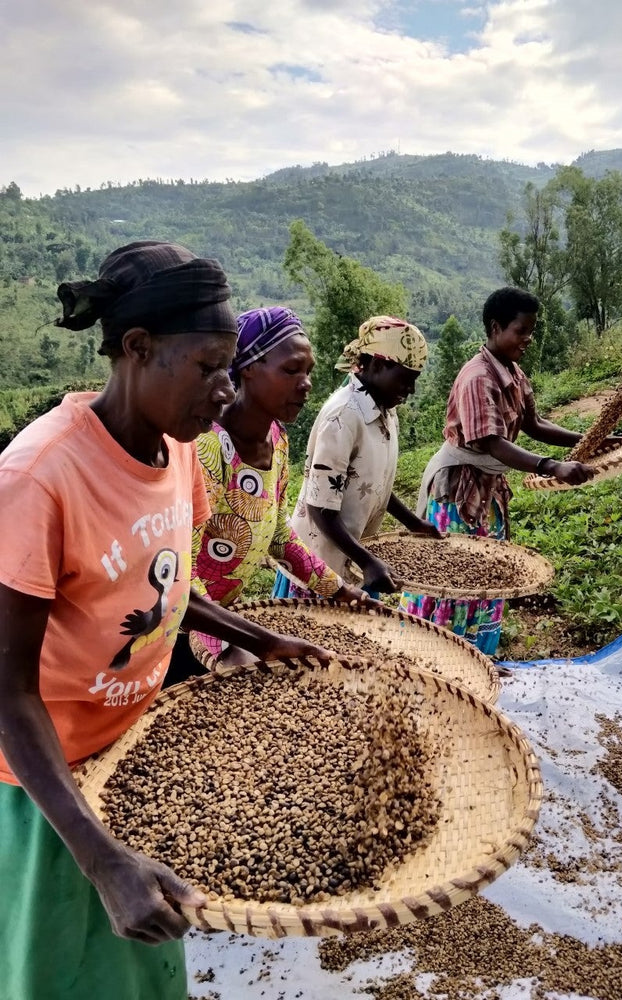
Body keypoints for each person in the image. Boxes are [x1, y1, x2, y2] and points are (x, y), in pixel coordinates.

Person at [0, 241, 332, 1000]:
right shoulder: (38, 478)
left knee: (146, 965)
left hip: (132, 756)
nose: (225, 389)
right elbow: (7, 691)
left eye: (229, 368)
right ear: (138, 349)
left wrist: (260, 636)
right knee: (54, 971)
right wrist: (99, 856)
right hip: (42, 788)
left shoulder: (176, 451)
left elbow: (168, 592)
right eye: (209, 367)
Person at [167, 306, 369, 682]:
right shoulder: (209, 448)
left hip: (228, 620)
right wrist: (234, 644)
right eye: (291, 370)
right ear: (247, 368)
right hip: (178, 633)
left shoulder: (277, 440)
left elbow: (278, 535)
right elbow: (181, 579)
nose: (306, 383)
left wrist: (339, 591)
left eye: (308, 372)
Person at [399, 286, 596, 656]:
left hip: (489, 489)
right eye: (521, 331)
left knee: (488, 576)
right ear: (495, 327)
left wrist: (592, 437)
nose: (528, 339)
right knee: (454, 579)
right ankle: (431, 659)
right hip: (459, 491)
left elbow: (534, 423)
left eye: (531, 331)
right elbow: (490, 442)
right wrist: (551, 466)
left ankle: (478, 658)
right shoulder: (478, 378)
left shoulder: (513, 373)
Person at [276, 315, 440, 598]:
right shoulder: (343, 417)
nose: (410, 391)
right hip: (321, 567)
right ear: (377, 365)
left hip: (356, 557)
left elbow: (375, 484)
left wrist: (413, 522)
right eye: (405, 380)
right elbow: (320, 508)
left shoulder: (386, 411)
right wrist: (368, 561)